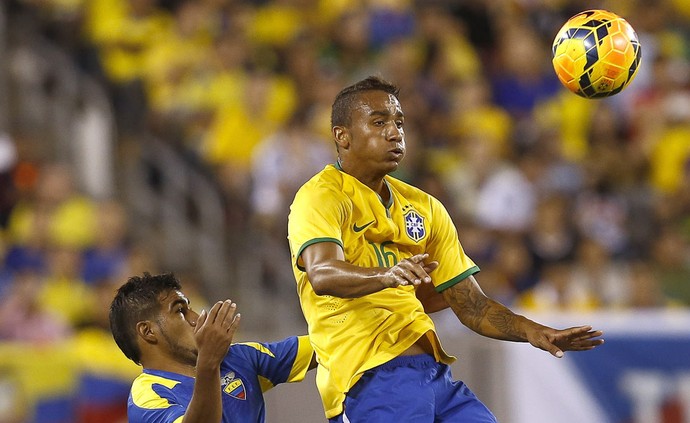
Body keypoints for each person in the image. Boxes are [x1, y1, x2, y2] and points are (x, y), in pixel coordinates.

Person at [287, 76, 605, 422]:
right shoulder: (320, 196)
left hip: (435, 376)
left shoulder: (425, 207)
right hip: (367, 379)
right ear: (342, 135)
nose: (395, 133)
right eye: (379, 122)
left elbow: (471, 306)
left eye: (399, 123)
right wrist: (386, 275)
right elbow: (322, 273)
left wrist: (534, 331)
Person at [109, 272, 316, 423]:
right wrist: (208, 363)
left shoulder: (237, 358)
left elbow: (325, 345)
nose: (198, 318)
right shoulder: (147, 396)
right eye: (180, 311)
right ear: (147, 331)